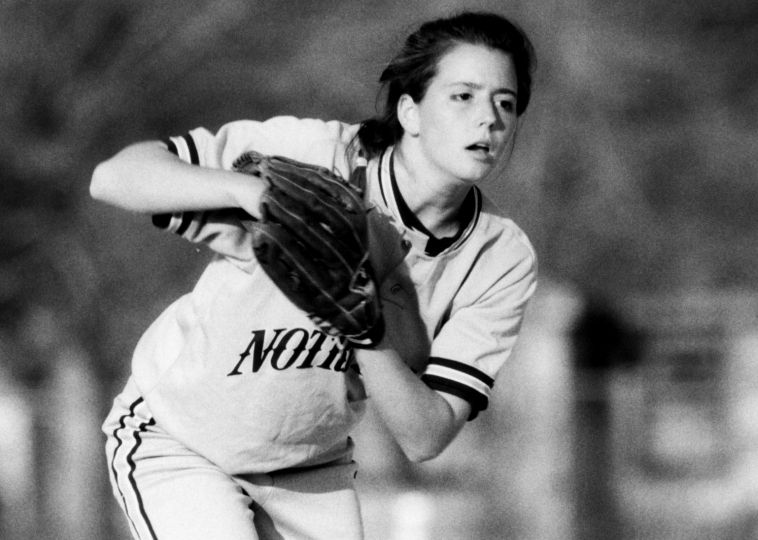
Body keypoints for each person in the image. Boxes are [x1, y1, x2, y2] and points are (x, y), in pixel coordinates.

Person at [91, 10, 538, 540]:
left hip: (310, 471)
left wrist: (366, 333)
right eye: (463, 96)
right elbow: (114, 178)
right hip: (181, 437)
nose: (488, 118)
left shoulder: (499, 256)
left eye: (505, 103)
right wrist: (251, 194)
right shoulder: (312, 157)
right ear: (410, 112)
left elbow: (425, 437)